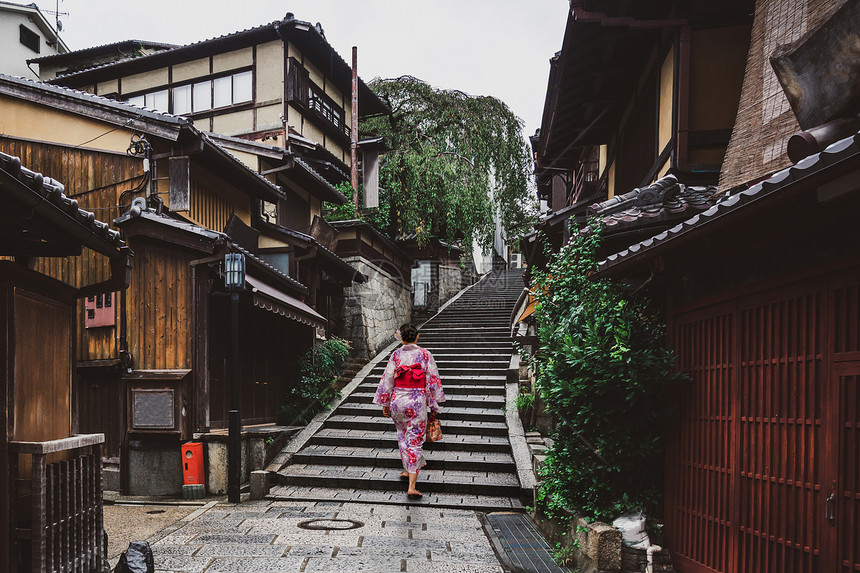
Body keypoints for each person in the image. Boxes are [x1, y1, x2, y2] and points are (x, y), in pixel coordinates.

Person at [373, 323, 445, 498]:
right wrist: (435, 403)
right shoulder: (424, 355)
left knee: (402, 434)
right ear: (417, 336)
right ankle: (412, 486)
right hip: (416, 401)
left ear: (401, 338)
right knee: (415, 440)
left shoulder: (396, 355)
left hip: (398, 400)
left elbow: (388, 379)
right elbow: (433, 379)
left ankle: (406, 470)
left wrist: (385, 402)